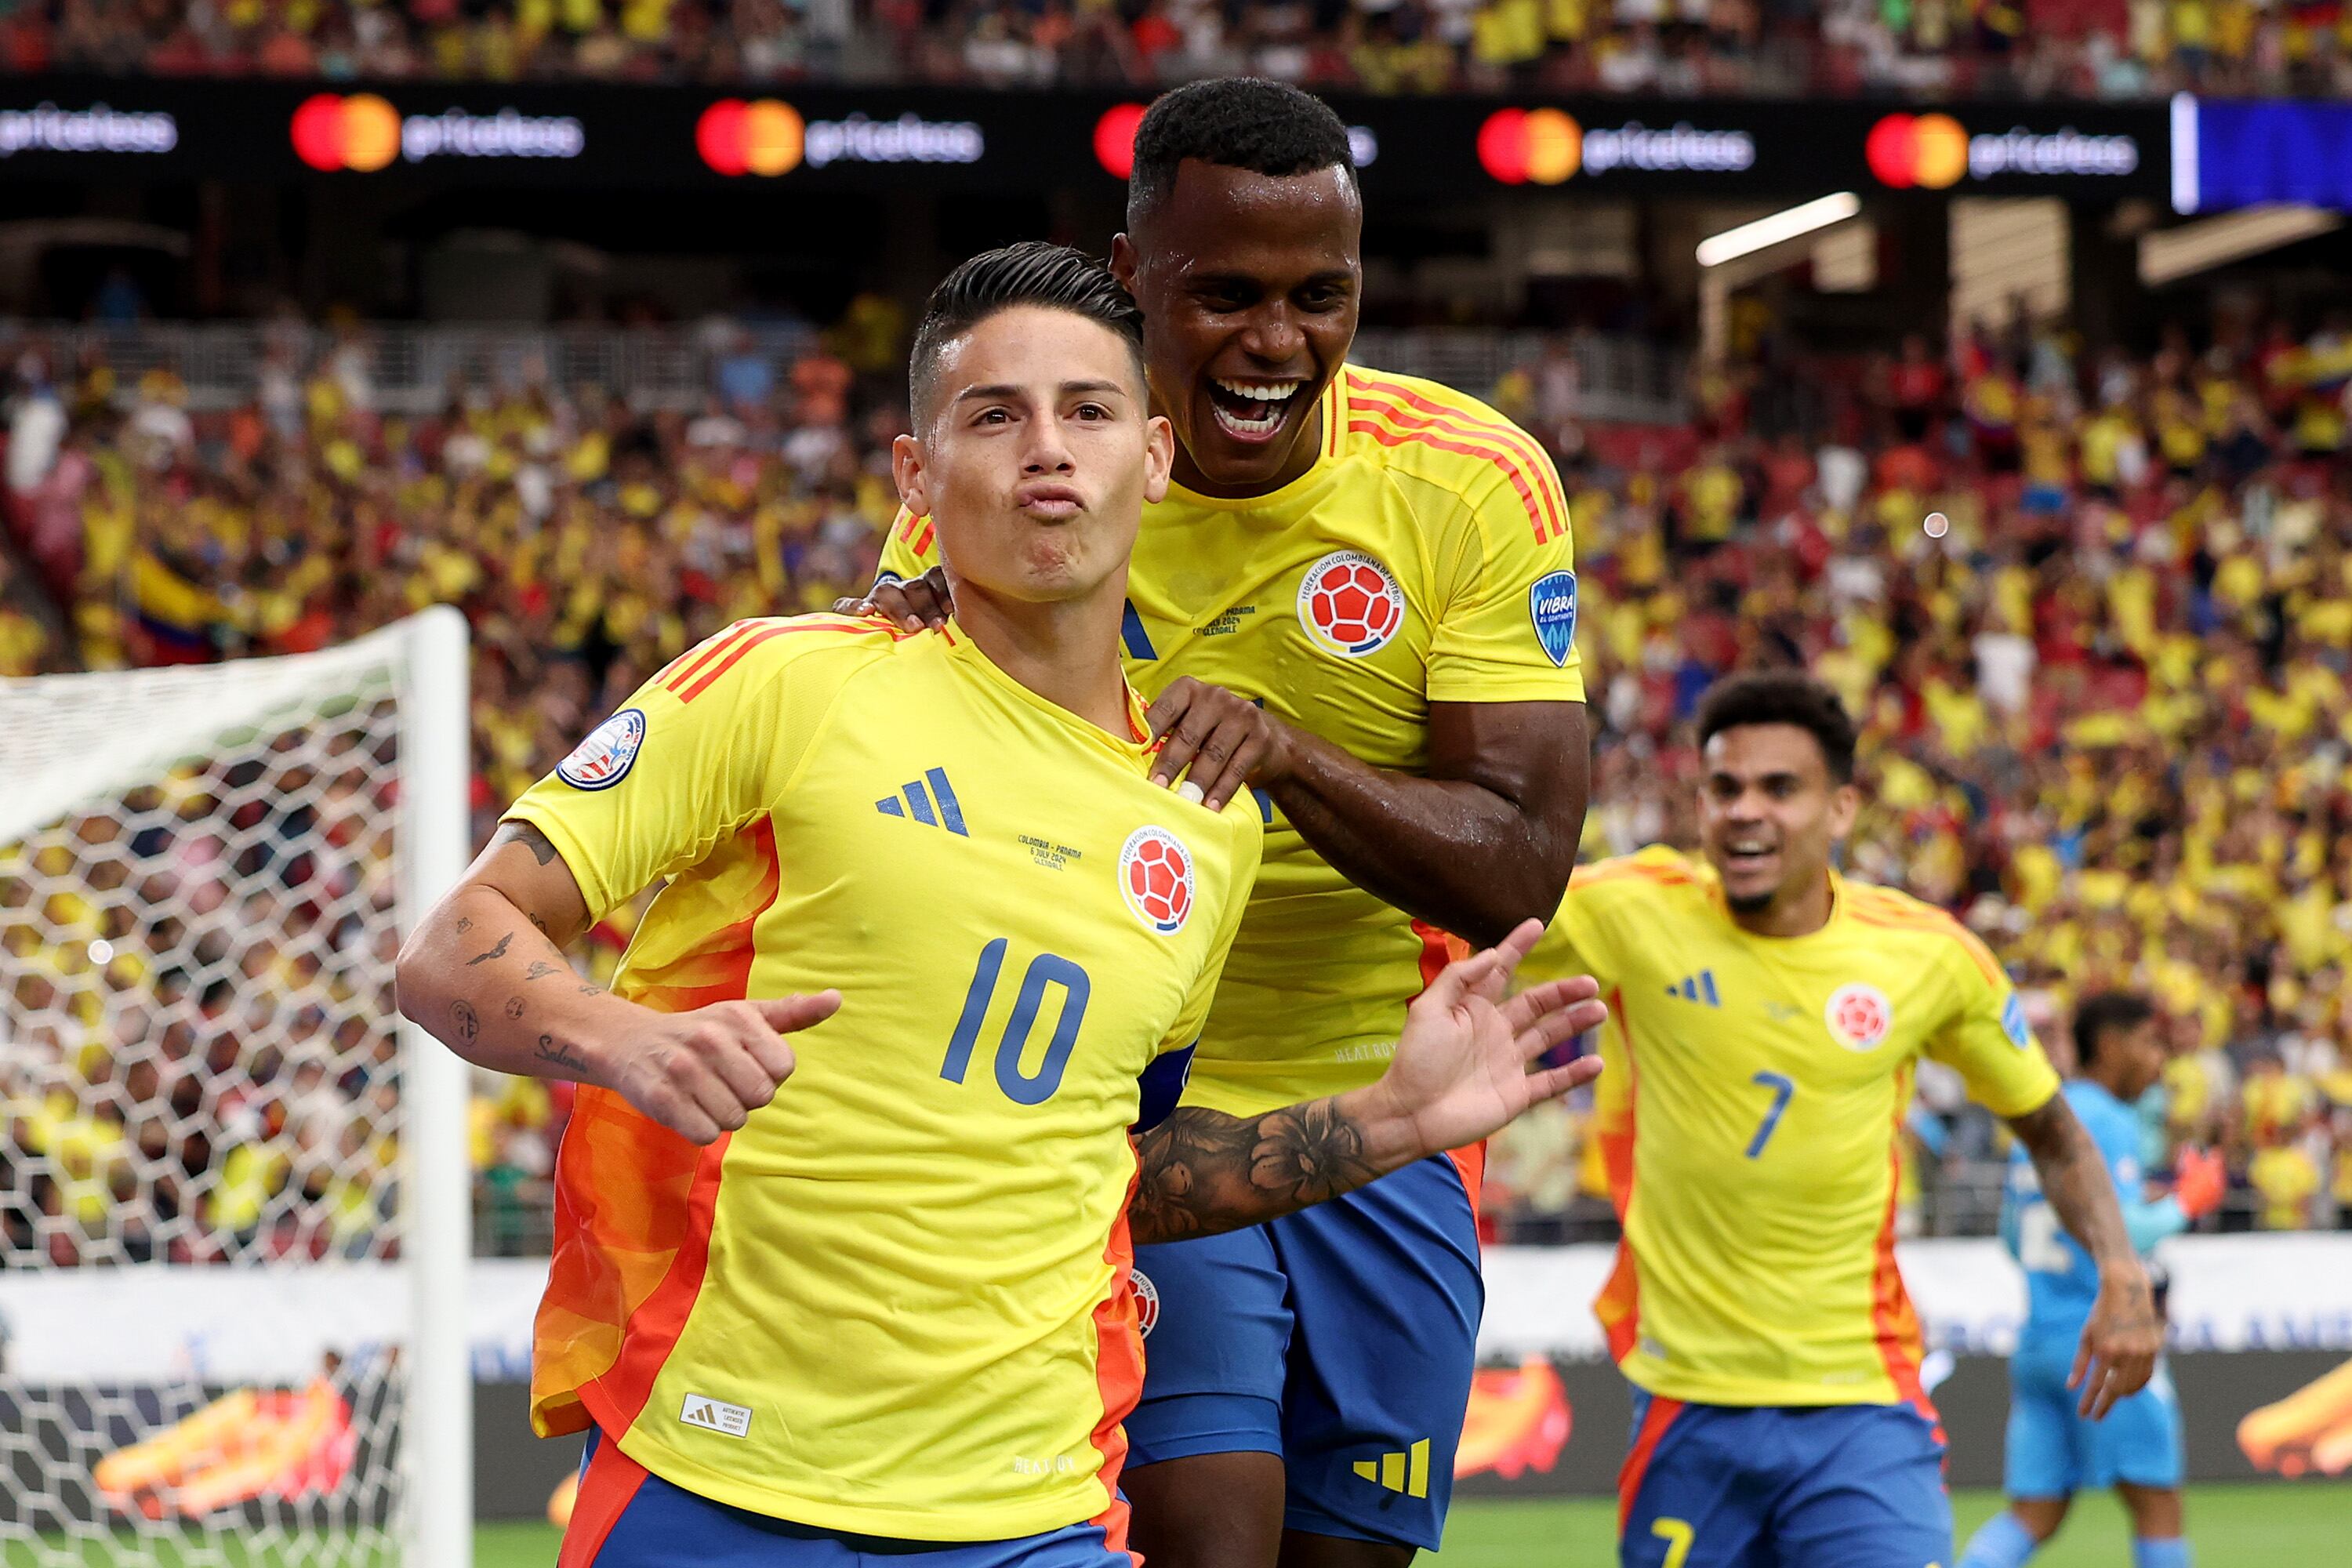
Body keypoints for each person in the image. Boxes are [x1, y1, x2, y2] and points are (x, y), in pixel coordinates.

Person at [394, 244, 1607, 1568]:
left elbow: (1119, 1178)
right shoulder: (788, 685)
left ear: (1153, 457)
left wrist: (1392, 1122)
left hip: (1033, 1515)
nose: (1048, 450)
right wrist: (624, 1039)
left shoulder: (1204, 828)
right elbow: (454, 945)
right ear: (916, 478)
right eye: (994, 416)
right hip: (717, 1473)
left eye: (1088, 411)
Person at [850, 79, 1588, 1568]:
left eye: (1322, 296)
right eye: (1227, 295)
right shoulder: (1039, 471)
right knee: (1207, 1531)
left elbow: (1520, 867)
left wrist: (1287, 757)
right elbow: (897, 777)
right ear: (1133, 278)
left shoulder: (1471, 481)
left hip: (1392, 1109)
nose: (1277, 341)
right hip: (1142, 1115)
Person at [1522, 670, 2161, 1568]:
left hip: (1862, 1403)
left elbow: (2053, 1132)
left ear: (1841, 808)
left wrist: (2122, 1269)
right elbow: (1458, 918)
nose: (1746, 810)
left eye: (1780, 787)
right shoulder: (1629, 910)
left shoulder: (1928, 958)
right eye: (1724, 787)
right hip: (1683, 1401)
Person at [1958, 993, 2225, 1568]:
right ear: (2109, 1045)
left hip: (2038, 1344)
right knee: (2158, 1508)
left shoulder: (2043, 1118)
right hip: (2104, 1341)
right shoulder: (2103, 1118)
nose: (2159, 1060)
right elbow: (2124, 1233)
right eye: (2148, 1043)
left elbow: (2013, 1238)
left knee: (2033, 1514)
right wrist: (2187, 1200)